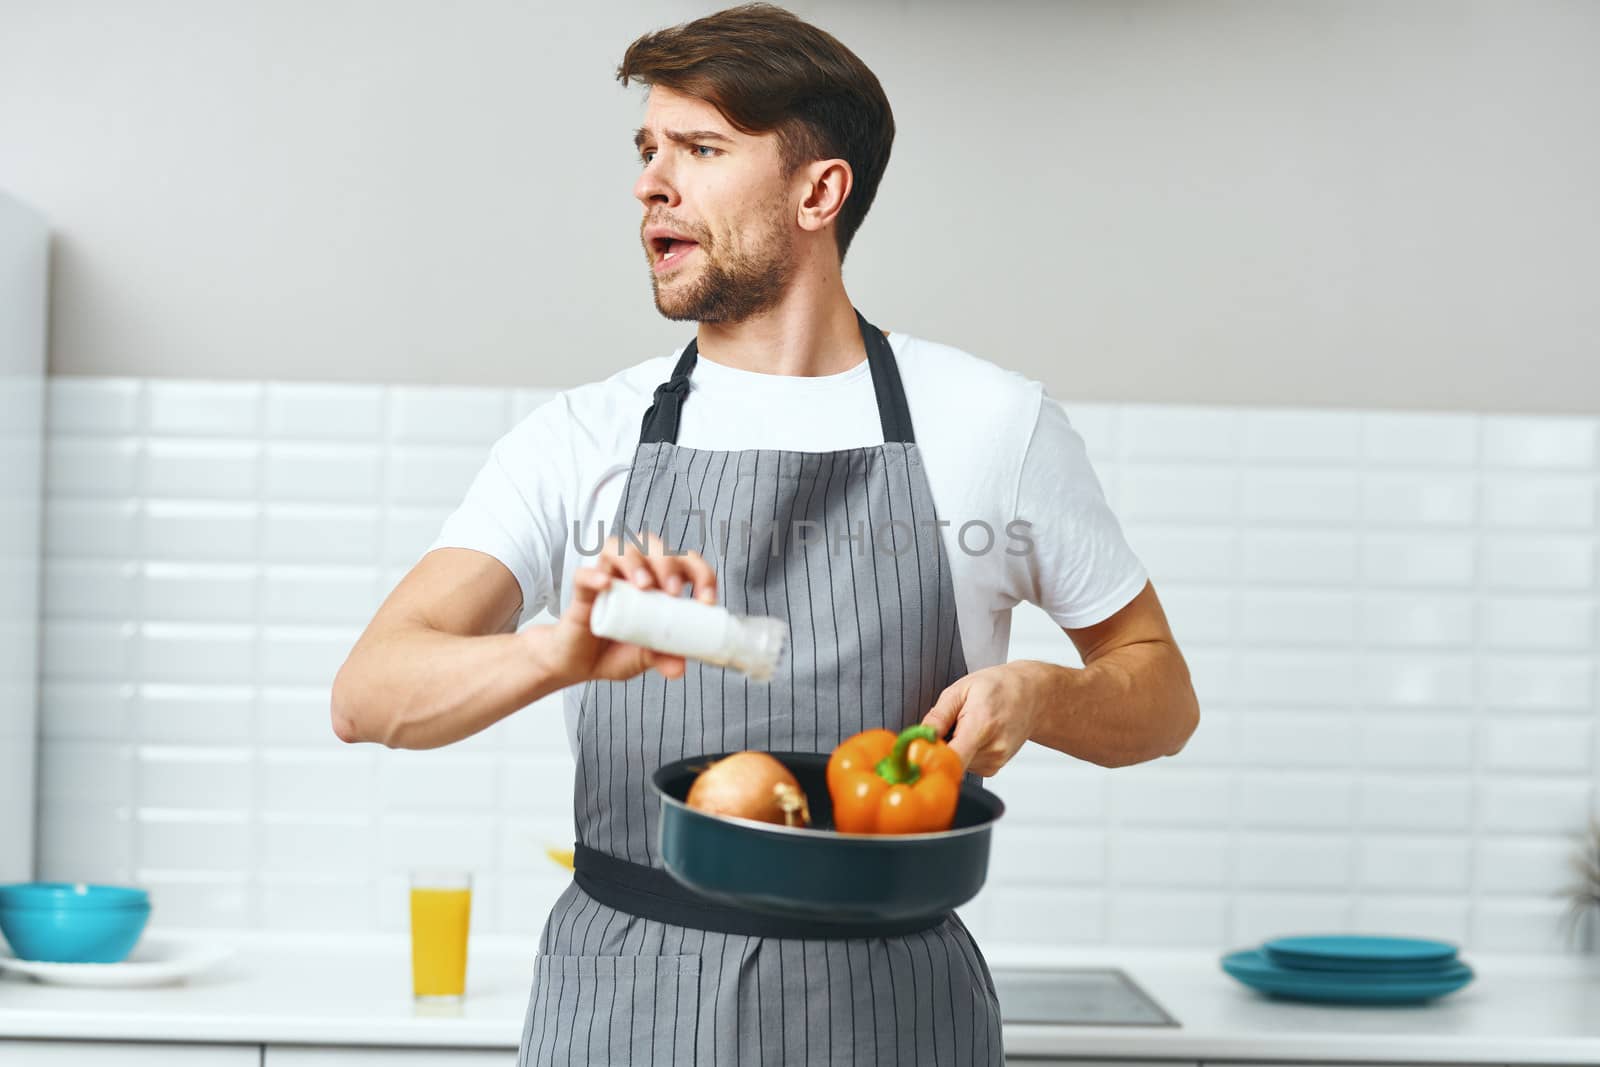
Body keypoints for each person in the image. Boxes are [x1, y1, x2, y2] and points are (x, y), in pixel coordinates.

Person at [332, 4, 1200, 1063]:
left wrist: (1044, 693)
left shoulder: (990, 423)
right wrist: (551, 650)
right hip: (621, 1005)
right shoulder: (580, 438)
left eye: (702, 149)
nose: (653, 180)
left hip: (890, 1009)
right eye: (648, 149)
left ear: (817, 191)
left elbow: (1159, 693)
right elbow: (369, 692)